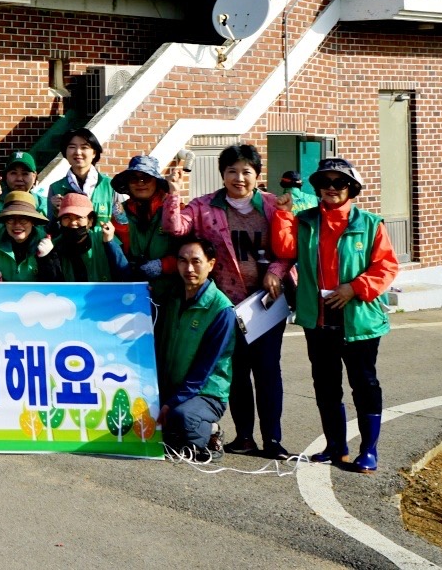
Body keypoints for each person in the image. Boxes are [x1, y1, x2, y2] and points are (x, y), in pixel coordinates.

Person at [270, 158, 398, 473]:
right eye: (324, 183)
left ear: (351, 187)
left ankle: (369, 451)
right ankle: (335, 447)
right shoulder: (306, 221)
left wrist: (355, 288)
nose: (330, 188)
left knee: (364, 384)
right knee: (326, 385)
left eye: (338, 182)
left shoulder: (370, 224)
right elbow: (285, 250)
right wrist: (283, 214)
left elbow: (387, 266)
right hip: (319, 320)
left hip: (359, 321)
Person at [164, 144, 292, 459]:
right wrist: (173, 194)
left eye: (246, 171)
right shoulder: (205, 206)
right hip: (227, 308)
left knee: (267, 372)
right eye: (232, 171)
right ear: (222, 174)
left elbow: (290, 249)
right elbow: (175, 227)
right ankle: (244, 437)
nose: (239, 178)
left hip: (265, 304)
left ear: (257, 175)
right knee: (235, 371)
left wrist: (275, 271)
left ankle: (273, 440)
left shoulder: (275, 207)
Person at [156, 235, 235, 462]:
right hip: (172, 387)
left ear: (211, 264)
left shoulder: (221, 309)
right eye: (182, 261)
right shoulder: (172, 297)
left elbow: (203, 370)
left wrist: (171, 403)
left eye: (196, 261)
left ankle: (211, 434)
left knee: (181, 418)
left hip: (205, 393)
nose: (189, 268)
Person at [110, 155, 179, 302]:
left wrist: (163, 265)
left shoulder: (174, 209)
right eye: (134, 178)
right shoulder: (120, 212)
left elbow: (188, 251)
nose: (140, 183)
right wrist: (121, 226)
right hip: (133, 292)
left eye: (146, 178)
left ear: (156, 182)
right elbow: (119, 251)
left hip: (170, 294)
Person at [45, 127, 124, 230]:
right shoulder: (56, 188)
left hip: (101, 245)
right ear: (65, 152)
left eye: (84, 147)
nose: (78, 152)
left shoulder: (110, 186)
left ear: (94, 153)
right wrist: (56, 214)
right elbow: (50, 230)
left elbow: (122, 223)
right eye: (72, 147)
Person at [0, 191, 61, 281]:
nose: (17, 225)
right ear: (4, 221)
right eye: (10, 219)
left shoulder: (45, 241)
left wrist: (47, 258)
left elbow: (54, 282)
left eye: (24, 219)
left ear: (33, 222)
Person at [51, 192, 127, 281]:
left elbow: (125, 272)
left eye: (79, 217)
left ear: (90, 221)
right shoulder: (55, 245)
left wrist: (110, 243)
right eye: (67, 217)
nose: (73, 223)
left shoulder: (104, 236)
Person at [0, 152, 39, 216]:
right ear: (6, 176)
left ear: (34, 176)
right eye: (13, 173)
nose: (19, 178)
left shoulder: (43, 204)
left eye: (25, 173)